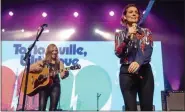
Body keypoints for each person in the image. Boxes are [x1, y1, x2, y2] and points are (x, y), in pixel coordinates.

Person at [114, 4, 154, 111]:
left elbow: (148, 50)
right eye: (130, 12)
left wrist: (138, 62)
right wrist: (127, 37)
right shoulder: (120, 34)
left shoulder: (146, 32)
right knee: (130, 108)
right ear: (125, 16)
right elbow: (118, 53)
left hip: (144, 71)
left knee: (147, 107)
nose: (134, 14)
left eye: (136, 12)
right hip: (126, 73)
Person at [29, 44, 69, 111]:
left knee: (53, 109)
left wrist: (65, 74)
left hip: (55, 86)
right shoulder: (43, 62)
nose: (54, 52)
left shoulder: (59, 63)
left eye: (56, 50)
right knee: (41, 109)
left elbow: (62, 75)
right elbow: (29, 68)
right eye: (52, 50)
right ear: (49, 51)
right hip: (43, 87)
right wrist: (38, 69)